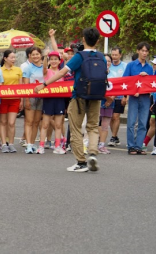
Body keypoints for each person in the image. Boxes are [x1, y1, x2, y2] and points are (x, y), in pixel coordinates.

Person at [34, 27, 105, 173]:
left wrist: (44, 84)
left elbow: (61, 72)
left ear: (83, 40)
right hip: (96, 96)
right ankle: (92, 152)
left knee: (76, 129)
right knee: (92, 126)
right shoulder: (101, 56)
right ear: (98, 41)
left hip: (79, 96)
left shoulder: (79, 57)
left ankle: (81, 161)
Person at [123, 42, 154, 155]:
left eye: (146, 51)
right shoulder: (131, 65)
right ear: (138, 51)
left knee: (143, 122)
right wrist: (130, 92)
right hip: (134, 97)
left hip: (145, 97)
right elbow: (125, 81)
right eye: (142, 50)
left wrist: (147, 77)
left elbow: (151, 84)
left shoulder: (149, 67)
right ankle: (131, 146)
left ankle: (139, 145)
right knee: (131, 122)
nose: (144, 53)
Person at [39, 51, 67, 154]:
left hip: (59, 100)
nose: (54, 61)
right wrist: (46, 56)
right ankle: (41, 146)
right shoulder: (47, 71)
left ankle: (57, 146)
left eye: (56, 59)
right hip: (48, 99)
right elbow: (44, 67)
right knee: (45, 124)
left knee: (58, 125)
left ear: (60, 61)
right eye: (52, 59)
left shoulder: (62, 72)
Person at [0, 50, 22, 153]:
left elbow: (21, 86)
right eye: (11, 57)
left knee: (11, 123)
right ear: (5, 58)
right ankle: (4, 143)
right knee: (3, 122)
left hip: (15, 99)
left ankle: (11, 143)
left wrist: (21, 99)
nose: (14, 59)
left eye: (14, 57)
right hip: (2, 99)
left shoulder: (18, 70)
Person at [22, 47, 44, 154]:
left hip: (42, 96)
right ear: (30, 56)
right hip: (30, 96)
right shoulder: (27, 68)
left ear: (41, 55)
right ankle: (28, 144)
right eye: (33, 54)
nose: (35, 56)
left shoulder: (45, 67)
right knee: (29, 121)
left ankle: (33, 143)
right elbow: (25, 85)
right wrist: (26, 99)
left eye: (37, 54)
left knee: (36, 122)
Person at [108, 47, 127, 146]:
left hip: (119, 96)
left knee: (116, 116)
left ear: (120, 55)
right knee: (110, 117)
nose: (114, 57)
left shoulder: (125, 66)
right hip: (109, 97)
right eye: (113, 55)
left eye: (116, 55)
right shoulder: (108, 65)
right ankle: (114, 136)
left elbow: (127, 82)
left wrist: (125, 96)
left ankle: (113, 137)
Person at [98, 54, 115, 155]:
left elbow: (118, 88)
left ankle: (102, 145)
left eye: (109, 61)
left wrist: (111, 99)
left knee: (105, 125)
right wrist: (106, 97)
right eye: (105, 61)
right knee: (96, 124)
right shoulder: (98, 73)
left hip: (110, 102)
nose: (107, 63)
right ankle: (93, 143)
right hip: (99, 100)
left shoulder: (114, 74)